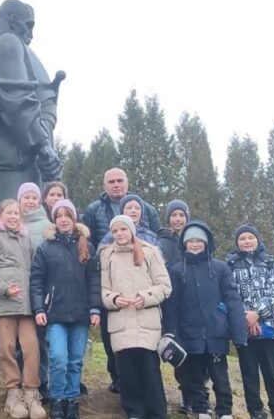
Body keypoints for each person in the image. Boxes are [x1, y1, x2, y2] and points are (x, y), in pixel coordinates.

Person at [0, 0, 63, 204]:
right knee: (12, 222)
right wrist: (42, 145)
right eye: (28, 25)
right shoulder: (7, 41)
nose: (31, 33)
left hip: (0, 159)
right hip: (11, 159)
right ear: (12, 19)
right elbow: (17, 100)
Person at [81, 168, 160, 394]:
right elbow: (89, 242)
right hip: (108, 277)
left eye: (120, 181)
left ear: (127, 182)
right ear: (104, 185)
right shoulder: (94, 210)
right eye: (111, 181)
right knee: (111, 332)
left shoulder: (146, 208)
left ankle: (145, 381)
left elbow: (154, 241)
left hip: (141, 282)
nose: (116, 185)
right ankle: (117, 375)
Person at [163, 222, 248, 419]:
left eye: (198, 240)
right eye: (190, 240)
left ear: (206, 242)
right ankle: (201, 409)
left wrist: (238, 333)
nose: (194, 244)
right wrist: (171, 332)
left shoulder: (220, 268)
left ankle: (224, 410)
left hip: (215, 333)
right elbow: (172, 306)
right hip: (189, 334)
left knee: (220, 376)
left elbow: (233, 300)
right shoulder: (177, 270)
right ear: (184, 244)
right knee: (194, 376)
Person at [30, 199, 100, 419]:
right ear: (54, 220)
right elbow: (37, 281)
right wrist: (39, 308)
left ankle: (72, 400)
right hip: (56, 314)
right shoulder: (45, 247)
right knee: (59, 358)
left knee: (75, 360)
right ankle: (57, 399)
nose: (63, 220)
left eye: (67, 215)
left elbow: (94, 281)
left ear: (73, 219)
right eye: (58, 216)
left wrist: (95, 308)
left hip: (80, 313)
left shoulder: (86, 246)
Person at [99, 215, 171, 419]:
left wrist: (145, 297)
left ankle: (156, 413)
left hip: (146, 321)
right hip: (121, 322)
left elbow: (165, 286)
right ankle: (134, 412)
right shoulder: (107, 255)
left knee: (149, 370)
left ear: (131, 231)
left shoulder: (150, 252)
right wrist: (114, 299)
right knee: (127, 372)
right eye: (115, 231)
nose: (119, 234)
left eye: (123, 229)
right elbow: (104, 291)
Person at [0, 199, 48, 419]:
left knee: (31, 348)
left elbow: (34, 270)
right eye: (8, 213)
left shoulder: (26, 240)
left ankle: (31, 392)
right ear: (0, 216)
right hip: (4, 305)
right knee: (7, 348)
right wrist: (4, 288)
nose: (13, 216)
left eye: (16, 213)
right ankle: (13, 393)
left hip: (26, 305)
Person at [227, 224, 274, 419]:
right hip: (242, 327)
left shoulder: (271, 263)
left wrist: (257, 314)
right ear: (237, 243)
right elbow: (229, 295)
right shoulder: (229, 266)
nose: (246, 241)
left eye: (250, 238)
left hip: (269, 327)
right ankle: (255, 410)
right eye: (242, 238)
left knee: (271, 371)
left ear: (257, 240)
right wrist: (246, 317)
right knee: (249, 372)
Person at [15, 182, 52, 401]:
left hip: (40, 292)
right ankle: (22, 382)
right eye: (25, 197)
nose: (29, 201)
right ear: (19, 200)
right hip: (17, 293)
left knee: (41, 340)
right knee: (20, 342)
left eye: (33, 198)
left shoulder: (47, 225)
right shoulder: (11, 221)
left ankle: (42, 382)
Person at [155, 199, 190, 413]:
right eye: (174, 215)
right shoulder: (161, 241)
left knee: (188, 349)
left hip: (188, 301)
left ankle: (189, 392)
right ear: (168, 218)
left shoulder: (195, 239)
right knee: (164, 345)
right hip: (166, 300)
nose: (178, 219)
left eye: (181, 215)